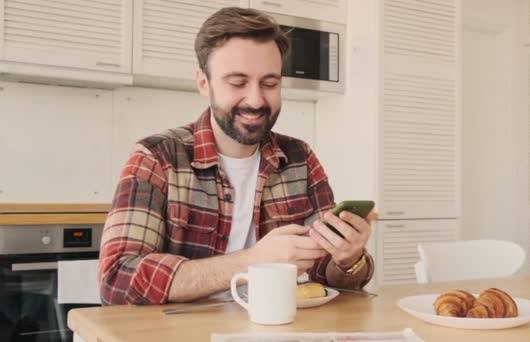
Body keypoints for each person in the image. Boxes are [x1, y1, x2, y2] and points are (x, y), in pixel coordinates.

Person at [98, 7, 374, 305]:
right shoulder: (157, 157)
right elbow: (117, 280)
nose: (256, 99)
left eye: (270, 83)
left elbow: (325, 273)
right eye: (237, 82)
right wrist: (253, 260)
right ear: (204, 83)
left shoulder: (300, 158)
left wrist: (348, 259)